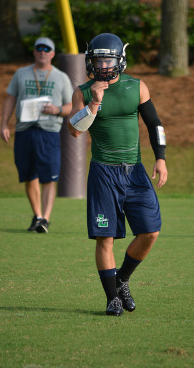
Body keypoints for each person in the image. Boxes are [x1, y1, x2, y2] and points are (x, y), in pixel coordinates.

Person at [68, 33, 168, 316]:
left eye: (108, 58)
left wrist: (161, 158)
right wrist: (94, 104)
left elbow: (155, 124)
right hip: (103, 173)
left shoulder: (136, 87)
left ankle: (121, 279)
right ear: (91, 59)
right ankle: (112, 297)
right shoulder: (84, 91)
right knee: (105, 238)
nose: (103, 64)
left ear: (119, 60)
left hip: (134, 172)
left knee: (150, 232)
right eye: (98, 58)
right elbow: (74, 130)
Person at [0, 37, 73, 233]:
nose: (42, 52)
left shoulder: (60, 77)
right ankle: (37, 215)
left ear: (52, 53)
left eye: (46, 49)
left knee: (49, 177)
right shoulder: (21, 74)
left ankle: (45, 219)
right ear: (34, 52)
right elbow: (10, 98)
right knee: (28, 175)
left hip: (48, 132)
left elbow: (72, 105)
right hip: (24, 130)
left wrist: (57, 109)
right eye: (39, 48)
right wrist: (4, 124)